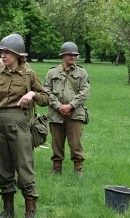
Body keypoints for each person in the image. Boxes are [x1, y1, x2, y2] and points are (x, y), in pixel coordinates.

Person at [0, 34, 48, 218]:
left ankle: (30, 211)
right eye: (1, 52)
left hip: (19, 123)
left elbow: (45, 98)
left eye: (7, 52)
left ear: (18, 55)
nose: (3, 56)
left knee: (24, 165)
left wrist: (32, 93)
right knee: (2, 166)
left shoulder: (29, 75)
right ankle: (8, 209)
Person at [44, 41, 90, 176]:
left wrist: (70, 106)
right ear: (63, 55)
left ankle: (78, 169)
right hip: (56, 113)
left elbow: (84, 92)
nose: (73, 57)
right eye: (70, 55)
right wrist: (59, 106)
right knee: (56, 143)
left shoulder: (81, 72)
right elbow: (46, 91)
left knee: (76, 143)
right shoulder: (52, 72)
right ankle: (56, 167)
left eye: (75, 55)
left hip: (75, 113)